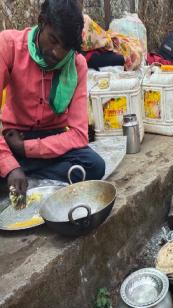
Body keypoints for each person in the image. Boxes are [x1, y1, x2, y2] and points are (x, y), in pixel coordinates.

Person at [0, 0, 105, 196]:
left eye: (65, 47)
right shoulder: (8, 46)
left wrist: (26, 149)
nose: (57, 52)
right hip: (14, 138)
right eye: (53, 40)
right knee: (8, 166)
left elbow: (78, 134)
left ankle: (28, 180)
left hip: (52, 141)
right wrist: (10, 164)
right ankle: (28, 176)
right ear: (41, 22)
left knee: (95, 166)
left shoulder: (77, 65)